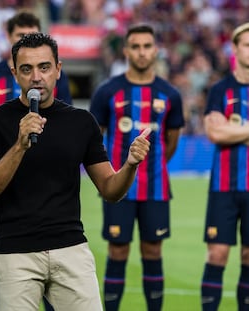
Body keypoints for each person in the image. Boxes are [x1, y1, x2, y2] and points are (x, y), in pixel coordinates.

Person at [0, 32, 151, 311]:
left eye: (44, 67)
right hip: (15, 254)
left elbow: (110, 190)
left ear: (58, 68)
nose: (36, 77)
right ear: (14, 73)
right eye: (26, 69)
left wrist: (130, 166)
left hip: (70, 249)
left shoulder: (81, 121)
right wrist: (20, 145)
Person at [0, 10, 72, 311]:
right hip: (2, 168)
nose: (26, 40)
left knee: (51, 249)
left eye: (32, 34)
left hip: (41, 170)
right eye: (20, 37)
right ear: (10, 40)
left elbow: (61, 116)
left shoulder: (52, 78)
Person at [89, 24, 184, 311]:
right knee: (118, 250)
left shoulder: (170, 94)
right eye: (136, 46)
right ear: (127, 51)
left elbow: (171, 142)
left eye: (147, 46)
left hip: (155, 188)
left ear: (155, 50)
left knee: (153, 251)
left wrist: (152, 166)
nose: (141, 52)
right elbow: (94, 140)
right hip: (118, 189)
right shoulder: (108, 91)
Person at [200, 22, 249, 311]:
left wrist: (237, 130)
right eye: (247, 44)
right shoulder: (220, 89)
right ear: (236, 49)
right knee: (217, 253)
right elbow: (215, 133)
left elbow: (226, 131)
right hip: (224, 186)